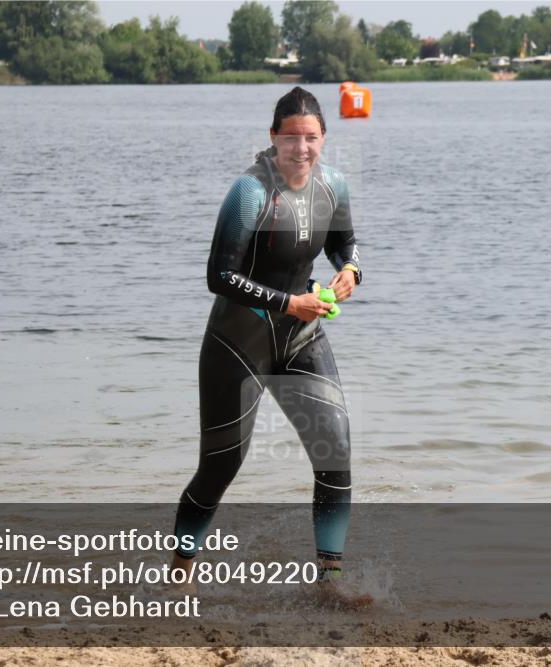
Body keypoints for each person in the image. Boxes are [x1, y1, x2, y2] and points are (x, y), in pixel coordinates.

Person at [170, 87, 370, 608]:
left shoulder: (334, 187)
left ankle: (329, 584)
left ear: (324, 139)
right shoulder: (250, 192)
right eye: (290, 137)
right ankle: (180, 572)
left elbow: (344, 242)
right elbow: (219, 275)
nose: (300, 148)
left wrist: (350, 270)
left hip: (301, 336)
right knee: (221, 465)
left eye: (310, 138)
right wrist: (288, 302)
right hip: (237, 343)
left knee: (336, 451)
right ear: (273, 138)